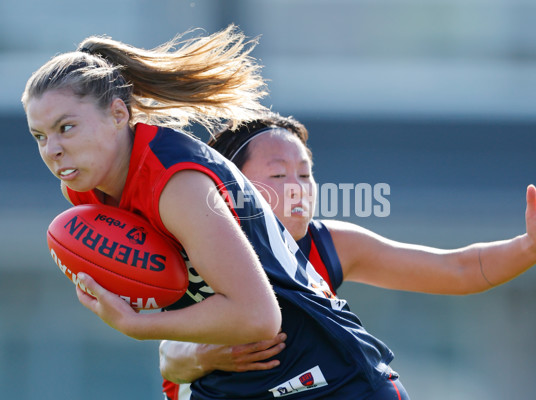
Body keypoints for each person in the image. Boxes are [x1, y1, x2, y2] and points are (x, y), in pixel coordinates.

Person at [22, 27, 416, 399]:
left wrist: (137, 325)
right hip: (238, 384)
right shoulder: (83, 187)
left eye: (67, 127)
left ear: (119, 114)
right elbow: (177, 294)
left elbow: (259, 317)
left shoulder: (176, 184)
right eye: (40, 136)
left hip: (331, 380)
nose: (51, 149)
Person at [158, 112, 536, 400]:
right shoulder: (196, 248)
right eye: (277, 173)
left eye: (306, 174)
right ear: (232, 187)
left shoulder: (328, 244)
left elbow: (456, 269)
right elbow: (169, 357)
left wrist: (532, 245)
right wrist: (206, 356)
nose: (299, 186)